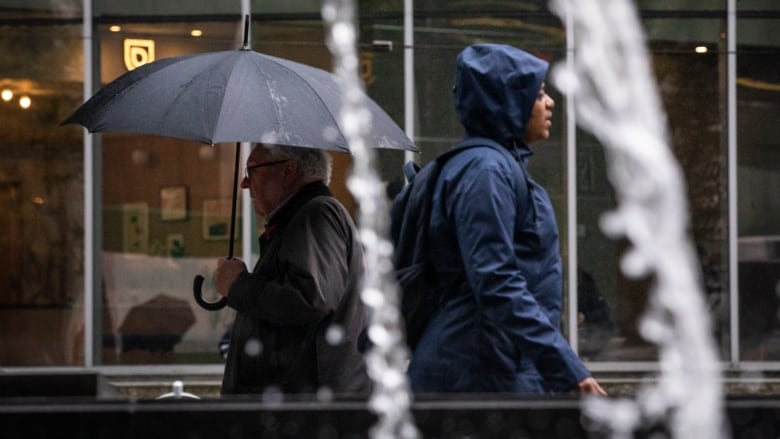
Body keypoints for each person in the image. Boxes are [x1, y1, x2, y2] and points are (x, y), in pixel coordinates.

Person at [406, 44, 606, 395]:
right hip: (477, 373)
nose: (550, 103)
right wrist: (565, 367)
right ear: (507, 102)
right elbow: (495, 280)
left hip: (488, 366)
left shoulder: (488, 166)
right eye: (539, 94)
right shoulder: (486, 171)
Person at [215, 144, 370, 395]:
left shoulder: (317, 213)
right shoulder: (303, 216)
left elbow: (310, 300)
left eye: (252, 170)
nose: (244, 183)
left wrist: (238, 285)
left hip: (305, 410)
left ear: (287, 171)